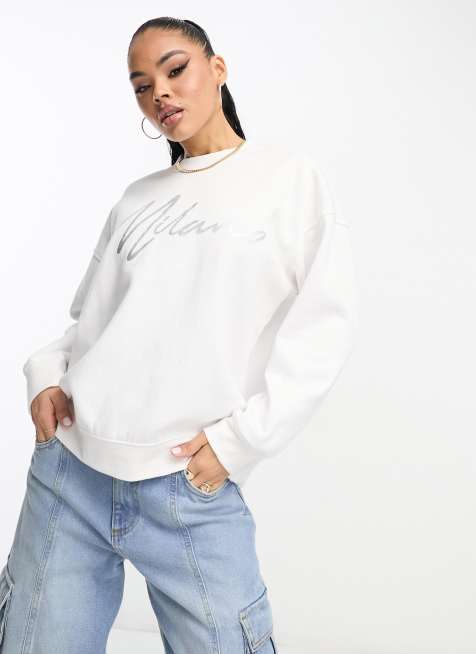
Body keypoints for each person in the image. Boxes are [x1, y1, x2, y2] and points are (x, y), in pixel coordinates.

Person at [0, 17, 358, 654]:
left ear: (217, 68)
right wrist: (46, 378)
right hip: (70, 474)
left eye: (174, 69)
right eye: (142, 85)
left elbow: (323, 328)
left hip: (185, 485)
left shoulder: (287, 180)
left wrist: (239, 441)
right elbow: (92, 323)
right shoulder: (137, 199)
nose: (159, 93)